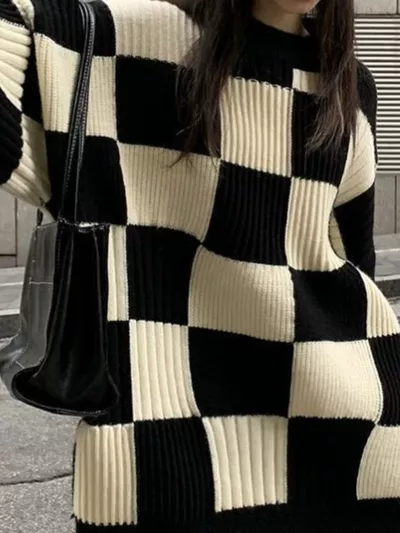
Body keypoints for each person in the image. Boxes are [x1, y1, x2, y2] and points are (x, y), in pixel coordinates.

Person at [1, 0, 400, 531]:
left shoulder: (347, 81)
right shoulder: (123, 37)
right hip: (157, 440)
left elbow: (352, 258)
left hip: (339, 421)